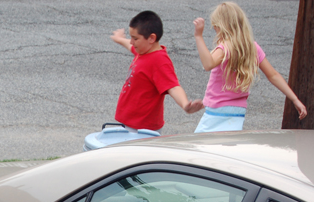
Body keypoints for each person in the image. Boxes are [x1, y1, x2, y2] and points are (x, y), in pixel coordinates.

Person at [193, 2, 307, 133]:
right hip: (238, 112)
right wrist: (295, 99)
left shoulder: (225, 48)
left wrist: (198, 36)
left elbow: (208, 64)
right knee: (228, 147)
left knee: (200, 147)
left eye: (215, 27)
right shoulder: (252, 47)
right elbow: (273, 75)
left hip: (216, 111)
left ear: (221, 27)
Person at [110, 10, 204, 132]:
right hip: (129, 124)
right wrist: (119, 39)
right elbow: (130, 45)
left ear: (151, 38)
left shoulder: (159, 61)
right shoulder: (143, 51)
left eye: (135, 38)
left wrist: (185, 105)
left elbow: (173, 87)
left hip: (142, 129)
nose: (132, 42)